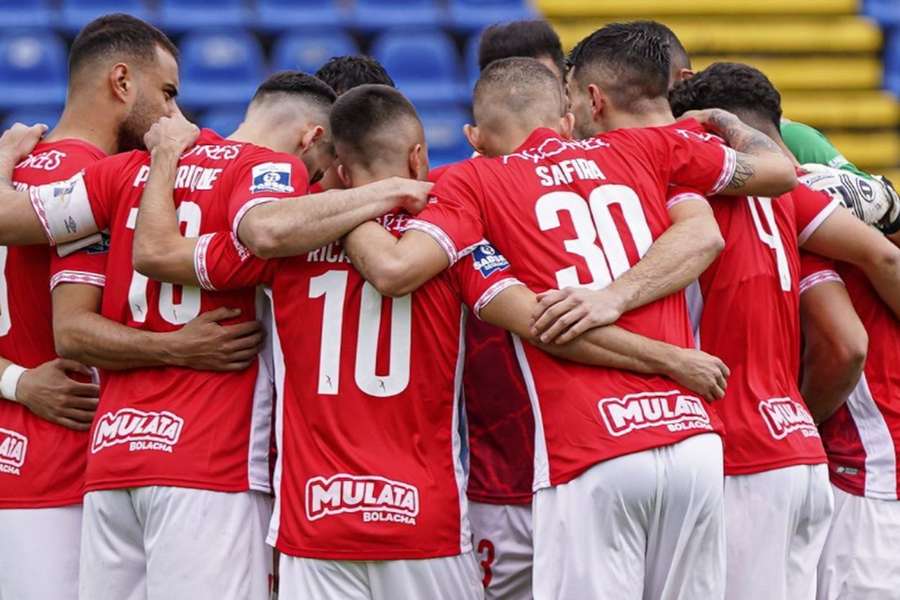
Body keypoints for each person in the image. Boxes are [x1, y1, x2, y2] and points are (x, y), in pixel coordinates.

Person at [132, 81, 737, 598]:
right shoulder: (449, 238)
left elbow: (158, 253)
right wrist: (670, 358)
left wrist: (168, 163)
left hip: (313, 526)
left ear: (337, 168)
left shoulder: (284, 246)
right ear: (419, 158)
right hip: (427, 524)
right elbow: (546, 324)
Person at [336, 40, 803, 595]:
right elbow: (780, 172)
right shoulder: (642, 148)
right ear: (565, 115)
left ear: (473, 138)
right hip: (692, 442)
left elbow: (396, 270)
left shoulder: (472, 181)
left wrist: (342, 201)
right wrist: (723, 118)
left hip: (591, 453)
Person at [0, 14, 256, 600]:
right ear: (121, 81)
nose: (173, 114)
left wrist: (14, 381)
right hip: (60, 465)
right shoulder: (94, 180)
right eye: (167, 93)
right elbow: (73, 331)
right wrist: (179, 346)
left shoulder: (17, 175)